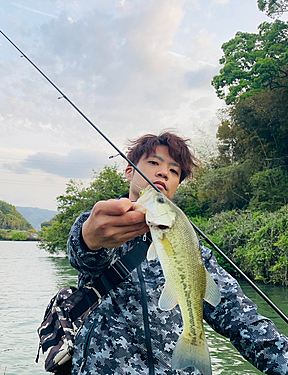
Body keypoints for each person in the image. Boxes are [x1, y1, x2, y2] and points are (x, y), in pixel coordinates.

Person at [67, 131, 288, 374]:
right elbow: (84, 256)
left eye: (174, 171)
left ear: (175, 187)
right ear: (129, 171)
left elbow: (239, 315)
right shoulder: (100, 224)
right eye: (153, 163)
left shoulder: (193, 246)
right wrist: (89, 239)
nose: (164, 173)